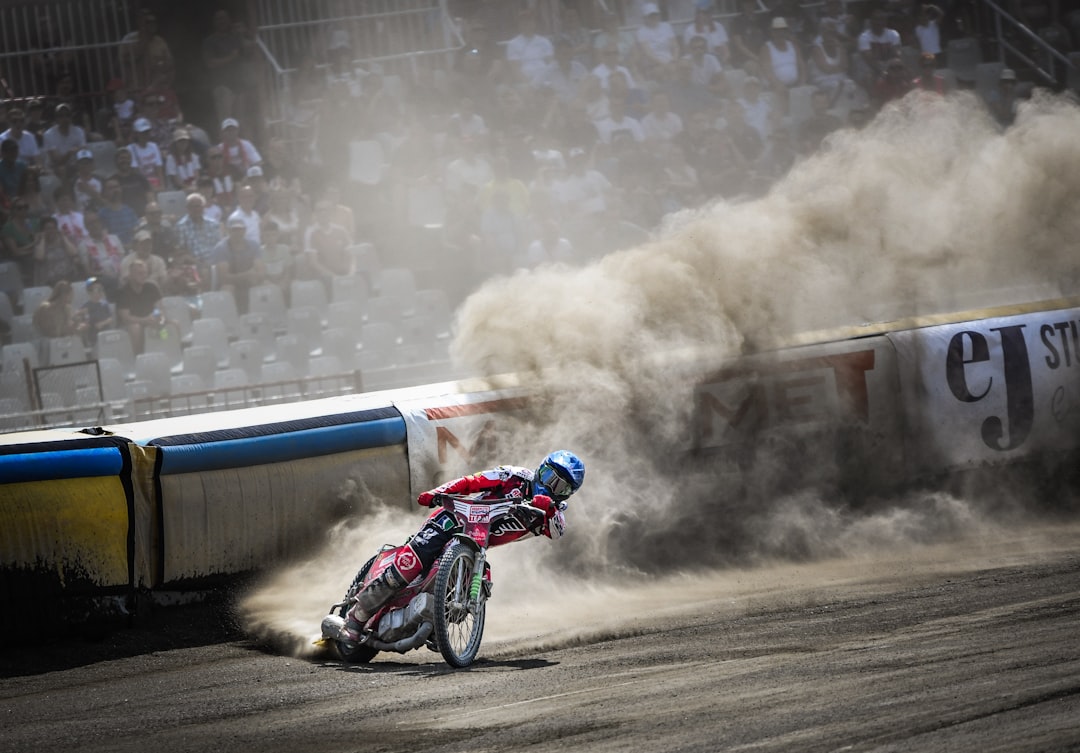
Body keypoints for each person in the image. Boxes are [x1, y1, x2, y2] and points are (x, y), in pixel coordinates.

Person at [338, 450, 585, 642]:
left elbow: (557, 530)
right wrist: (437, 492)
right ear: (540, 469)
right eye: (550, 478)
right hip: (453, 519)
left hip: (477, 543)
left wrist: (548, 506)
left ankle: (439, 624)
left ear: (567, 495)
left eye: (561, 487)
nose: (552, 487)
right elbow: (472, 482)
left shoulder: (553, 513)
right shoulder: (513, 476)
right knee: (412, 562)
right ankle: (356, 619)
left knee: (480, 582)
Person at [114, 257, 163, 354]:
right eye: (140, 273)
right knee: (135, 328)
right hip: (129, 327)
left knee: (172, 325)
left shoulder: (152, 287)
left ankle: (168, 351)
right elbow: (126, 318)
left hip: (150, 321)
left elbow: (159, 308)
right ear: (131, 274)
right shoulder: (122, 292)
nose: (143, 276)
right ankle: (138, 358)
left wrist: (155, 316)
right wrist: (144, 320)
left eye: (145, 273)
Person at [34, 215, 84, 287]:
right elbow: (39, 257)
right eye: (48, 228)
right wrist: (43, 239)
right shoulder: (40, 243)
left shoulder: (64, 240)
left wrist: (63, 236)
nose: (51, 231)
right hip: (50, 281)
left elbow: (74, 253)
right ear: (43, 231)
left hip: (69, 276)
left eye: (53, 228)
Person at [78, 276, 115, 346]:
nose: (100, 292)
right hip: (93, 337)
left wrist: (102, 323)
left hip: (106, 334)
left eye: (101, 290)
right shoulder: (85, 307)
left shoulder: (105, 304)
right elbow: (83, 322)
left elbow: (110, 319)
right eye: (97, 290)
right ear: (89, 292)